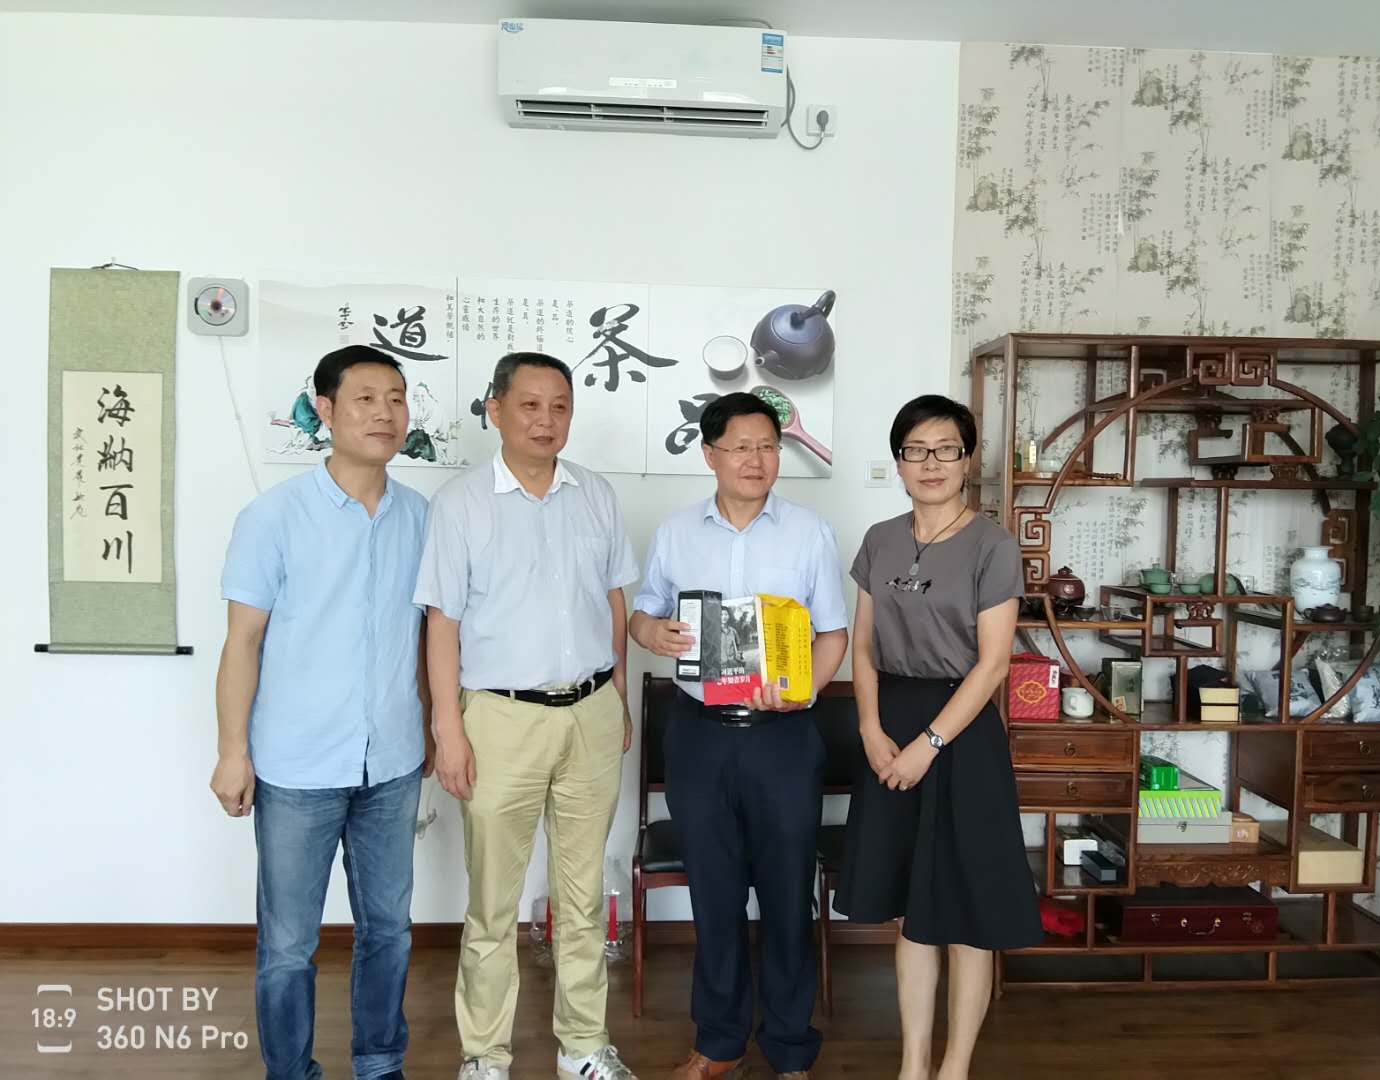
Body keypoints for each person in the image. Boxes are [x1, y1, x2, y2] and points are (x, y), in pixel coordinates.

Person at [211, 343, 433, 1080]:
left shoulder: (421, 517)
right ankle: (290, 1071)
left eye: (396, 398)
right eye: (365, 398)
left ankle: (379, 1062)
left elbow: (426, 634)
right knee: (287, 944)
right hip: (297, 764)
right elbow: (243, 641)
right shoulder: (273, 516)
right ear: (326, 410)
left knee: (389, 930)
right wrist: (233, 752)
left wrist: (434, 723)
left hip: (392, 758)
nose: (385, 413)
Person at [414, 352, 638, 1080]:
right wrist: (448, 728)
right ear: (495, 409)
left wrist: (619, 697)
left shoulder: (595, 494)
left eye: (560, 406)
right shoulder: (460, 503)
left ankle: (583, 1046)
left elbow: (613, 600)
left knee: (581, 896)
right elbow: (442, 623)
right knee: (492, 902)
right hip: (499, 719)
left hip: (591, 713)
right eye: (530, 405)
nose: (546, 421)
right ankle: (485, 1055)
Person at [630, 392, 849, 1080]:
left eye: (769, 447)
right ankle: (720, 1042)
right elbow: (642, 614)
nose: (757, 460)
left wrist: (803, 690)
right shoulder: (676, 531)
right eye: (742, 447)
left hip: (783, 737)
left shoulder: (809, 532)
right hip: (698, 735)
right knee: (714, 894)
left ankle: (789, 1046)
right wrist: (652, 632)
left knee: (787, 894)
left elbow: (833, 633)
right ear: (710, 454)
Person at [834, 394, 1041, 1080]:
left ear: (968, 459)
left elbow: (993, 664)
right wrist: (870, 727)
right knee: (910, 909)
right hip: (890, 722)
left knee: (966, 910)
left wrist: (930, 743)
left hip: (962, 732)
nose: (931, 463)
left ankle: (954, 1068)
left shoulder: (993, 545)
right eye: (916, 450)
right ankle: (913, 1066)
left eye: (946, 449)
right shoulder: (880, 539)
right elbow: (864, 647)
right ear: (898, 461)